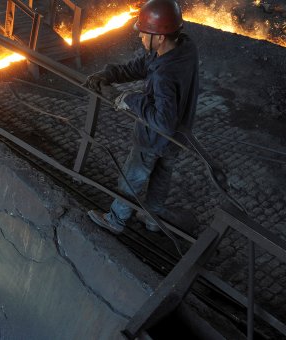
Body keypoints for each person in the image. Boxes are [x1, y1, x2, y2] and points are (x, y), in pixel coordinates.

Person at [84, 0, 199, 234]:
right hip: (179, 135)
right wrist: (110, 73)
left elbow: (162, 122)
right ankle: (152, 216)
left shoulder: (165, 75)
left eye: (144, 33)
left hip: (154, 139)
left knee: (132, 178)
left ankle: (116, 220)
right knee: (162, 175)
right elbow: (144, 64)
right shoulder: (184, 47)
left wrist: (130, 99)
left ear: (159, 37)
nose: (140, 37)